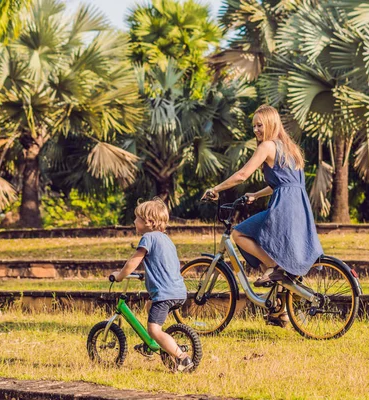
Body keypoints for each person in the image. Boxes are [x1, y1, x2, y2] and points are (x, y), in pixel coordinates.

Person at [202, 105, 323, 325]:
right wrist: (257, 195)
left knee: (239, 235)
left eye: (260, 125)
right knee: (275, 251)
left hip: (284, 206)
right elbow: (286, 183)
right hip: (299, 206)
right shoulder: (290, 148)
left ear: (271, 124)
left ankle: (271, 267)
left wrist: (216, 189)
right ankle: (281, 311)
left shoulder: (267, 146)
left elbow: (242, 175)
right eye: (254, 126)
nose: (256, 130)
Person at [110, 197, 193, 372]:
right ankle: (150, 345)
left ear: (149, 222)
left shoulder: (147, 238)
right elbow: (164, 264)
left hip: (165, 294)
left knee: (154, 329)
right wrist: (146, 275)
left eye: (137, 218)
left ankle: (182, 358)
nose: (134, 221)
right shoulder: (167, 240)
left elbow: (133, 261)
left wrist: (120, 276)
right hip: (178, 291)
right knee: (150, 306)